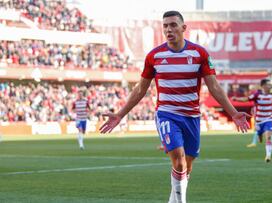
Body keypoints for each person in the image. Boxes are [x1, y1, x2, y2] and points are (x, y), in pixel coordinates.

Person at [99, 11, 251, 203]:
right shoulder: (154, 56)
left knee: (187, 166)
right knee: (178, 160)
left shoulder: (199, 54)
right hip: (167, 114)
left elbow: (214, 86)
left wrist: (234, 112)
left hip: (192, 117)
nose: (168, 29)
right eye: (165, 26)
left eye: (172, 25)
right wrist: (120, 114)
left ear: (183, 28)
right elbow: (140, 89)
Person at [232, 79, 272, 162]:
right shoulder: (257, 95)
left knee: (268, 137)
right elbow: (246, 99)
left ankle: (268, 156)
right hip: (258, 121)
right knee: (260, 138)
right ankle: (259, 136)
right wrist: (236, 99)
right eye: (268, 85)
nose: (270, 86)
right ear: (263, 86)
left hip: (268, 119)